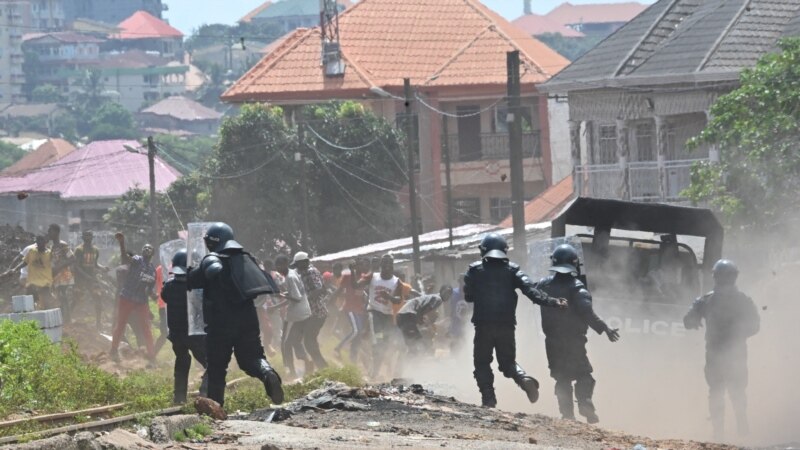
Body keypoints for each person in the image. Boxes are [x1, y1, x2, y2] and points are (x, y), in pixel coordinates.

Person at [464, 233, 567, 408]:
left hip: (483, 326)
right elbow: (532, 292)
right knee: (507, 363)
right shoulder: (513, 270)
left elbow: (468, 297)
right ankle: (523, 378)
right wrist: (554, 302)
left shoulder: (474, 270)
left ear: (483, 251)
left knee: (482, 363)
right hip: (506, 326)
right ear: (505, 251)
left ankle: (489, 400)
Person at [187, 222, 283, 408]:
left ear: (213, 242)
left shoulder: (212, 259)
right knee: (252, 359)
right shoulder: (247, 258)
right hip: (248, 319)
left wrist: (192, 270)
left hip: (220, 323)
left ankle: (216, 408)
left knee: (216, 368)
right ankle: (267, 373)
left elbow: (193, 280)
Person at [536, 244, 620, 424]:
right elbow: (587, 313)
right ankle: (585, 402)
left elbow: (531, 292)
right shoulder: (577, 288)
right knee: (584, 376)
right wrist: (605, 328)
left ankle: (568, 416)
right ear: (575, 264)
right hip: (573, 342)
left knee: (561, 378)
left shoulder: (543, 285)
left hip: (551, 342)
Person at [684, 259, 759, 440]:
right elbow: (755, 326)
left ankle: (721, 433)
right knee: (736, 391)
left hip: (719, 353)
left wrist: (696, 321)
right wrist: (738, 334)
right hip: (734, 353)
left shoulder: (705, 300)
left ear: (715, 277)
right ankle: (741, 429)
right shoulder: (743, 300)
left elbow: (688, 321)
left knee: (718, 392)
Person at [161, 249, 208, 404]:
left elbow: (165, 296)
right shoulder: (197, 287)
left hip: (176, 335)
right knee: (212, 363)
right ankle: (205, 395)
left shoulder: (168, 286)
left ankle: (179, 397)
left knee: (182, 360)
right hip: (194, 334)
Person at [109, 233, 157, 364]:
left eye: (149, 248)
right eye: (145, 248)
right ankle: (113, 350)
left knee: (146, 328)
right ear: (142, 251)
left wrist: (153, 295)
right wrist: (122, 243)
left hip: (141, 301)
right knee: (121, 324)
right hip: (127, 297)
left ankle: (152, 357)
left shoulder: (152, 270)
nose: (147, 249)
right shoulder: (137, 260)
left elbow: (149, 288)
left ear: (153, 253)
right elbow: (125, 259)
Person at [358, 254, 404, 379]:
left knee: (385, 345)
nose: (387, 267)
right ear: (381, 265)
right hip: (374, 312)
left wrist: (388, 297)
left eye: (390, 264)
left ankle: (377, 370)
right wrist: (352, 272)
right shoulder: (373, 276)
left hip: (388, 317)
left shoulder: (396, 282)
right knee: (378, 342)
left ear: (393, 266)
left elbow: (398, 300)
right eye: (385, 264)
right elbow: (357, 285)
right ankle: (374, 372)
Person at [275, 254, 313, 378]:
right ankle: (307, 363)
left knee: (286, 343)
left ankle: (291, 371)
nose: (278, 269)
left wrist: (281, 295)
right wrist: (283, 296)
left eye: (279, 266)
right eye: (277, 266)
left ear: (285, 265)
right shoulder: (293, 273)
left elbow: (296, 297)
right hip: (303, 312)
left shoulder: (290, 277)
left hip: (296, 315)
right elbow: (295, 294)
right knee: (295, 341)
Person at [293, 252, 329, 370]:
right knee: (310, 340)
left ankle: (323, 366)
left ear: (305, 262)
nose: (297, 268)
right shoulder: (304, 272)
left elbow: (319, 290)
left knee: (308, 341)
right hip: (311, 312)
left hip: (317, 311)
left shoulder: (310, 272)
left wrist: (304, 299)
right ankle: (321, 366)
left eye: (298, 264)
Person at [396, 285, 452, 356]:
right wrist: (421, 320)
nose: (447, 295)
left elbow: (418, 306)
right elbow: (426, 309)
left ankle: (408, 363)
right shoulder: (438, 299)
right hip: (408, 315)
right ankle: (415, 363)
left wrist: (421, 320)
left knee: (412, 345)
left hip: (401, 316)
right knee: (419, 344)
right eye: (446, 292)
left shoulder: (430, 297)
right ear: (441, 291)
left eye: (449, 293)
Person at [334, 258, 369, 364]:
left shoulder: (365, 277)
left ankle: (353, 359)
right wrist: (330, 303)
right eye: (358, 265)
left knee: (358, 336)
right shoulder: (347, 277)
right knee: (355, 331)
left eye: (362, 265)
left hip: (360, 310)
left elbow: (363, 292)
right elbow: (339, 291)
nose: (361, 267)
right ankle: (338, 348)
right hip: (349, 308)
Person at [3, 235, 54, 309]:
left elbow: (54, 267)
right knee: (29, 302)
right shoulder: (32, 251)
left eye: (41, 241)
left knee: (46, 303)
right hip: (32, 281)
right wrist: (15, 269)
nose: (39, 243)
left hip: (45, 282)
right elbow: (25, 262)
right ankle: (31, 317)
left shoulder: (49, 254)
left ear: (45, 242)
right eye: (38, 241)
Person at [73, 231, 105, 328]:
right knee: (76, 299)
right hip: (81, 279)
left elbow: (95, 264)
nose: (88, 237)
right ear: (82, 237)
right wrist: (86, 276)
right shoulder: (79, 250)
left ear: (92, 237)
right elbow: (76, 266)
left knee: (98, 298)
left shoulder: (95, 250)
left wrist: (103, 268)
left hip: (92, 279)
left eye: (90, 235)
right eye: (86, 235)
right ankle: (68, 318)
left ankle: (98, 322)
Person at [48, 224, 75, 323]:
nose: (48, 233)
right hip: (56, 275)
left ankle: (67, 319)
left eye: (50, 231)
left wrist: (59, 267)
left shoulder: (63, 245)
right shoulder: (52, 247)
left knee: (63, 295)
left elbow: (72, 258)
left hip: (64, 274)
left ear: (56, 232)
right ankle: (65, 318)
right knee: (60, 296)